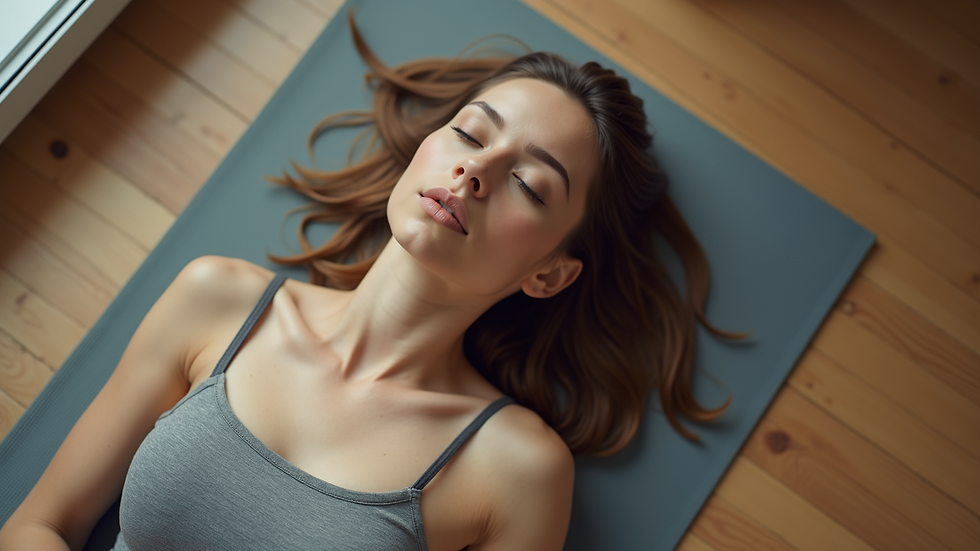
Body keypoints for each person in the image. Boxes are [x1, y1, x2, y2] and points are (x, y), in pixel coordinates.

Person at [0, 16, 732, 551]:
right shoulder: (217, 300)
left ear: (549, 273)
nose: (474, 170)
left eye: (531, 185)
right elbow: (39, 524)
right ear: (427, 148)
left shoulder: (515, 471)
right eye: (472, 134)